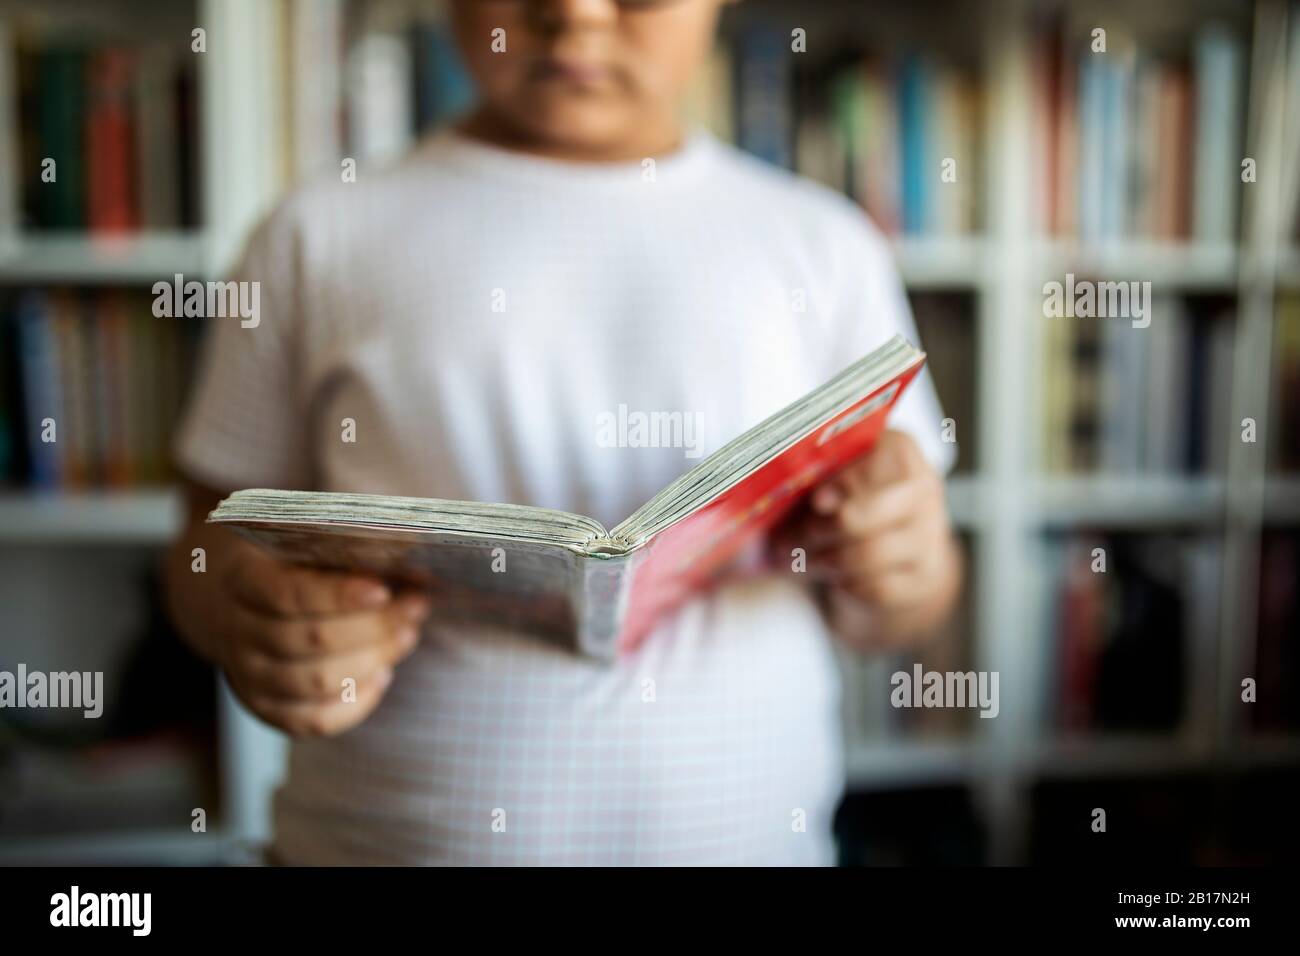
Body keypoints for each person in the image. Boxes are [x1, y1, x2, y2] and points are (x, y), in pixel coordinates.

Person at [164, 0, 962, 865]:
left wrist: (899, 570)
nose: (575, 14)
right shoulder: (314, 234)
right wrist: (251, 613)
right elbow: (203, 545)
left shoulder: (826, 247)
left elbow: (911, 594)